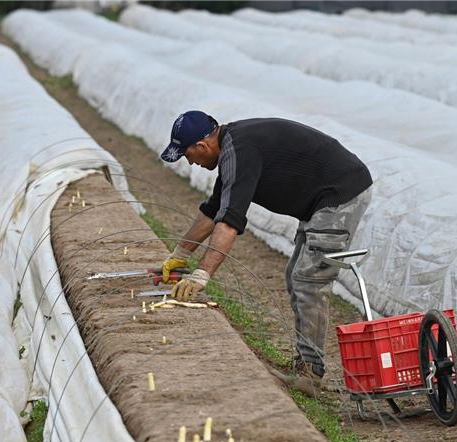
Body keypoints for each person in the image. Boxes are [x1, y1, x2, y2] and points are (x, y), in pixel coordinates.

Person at [159, 111, 373, 394]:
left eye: (188, 155)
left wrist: (202, 274)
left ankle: (310, 373)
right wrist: (181, 253)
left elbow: (230, 222)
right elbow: (214, 210)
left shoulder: (240, 149)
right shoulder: (233, 149)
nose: (191, 162)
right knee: (296, 277)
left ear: (202, 146)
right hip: (322, 199)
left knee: (308, 280)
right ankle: (307, 363)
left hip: (340, 193)